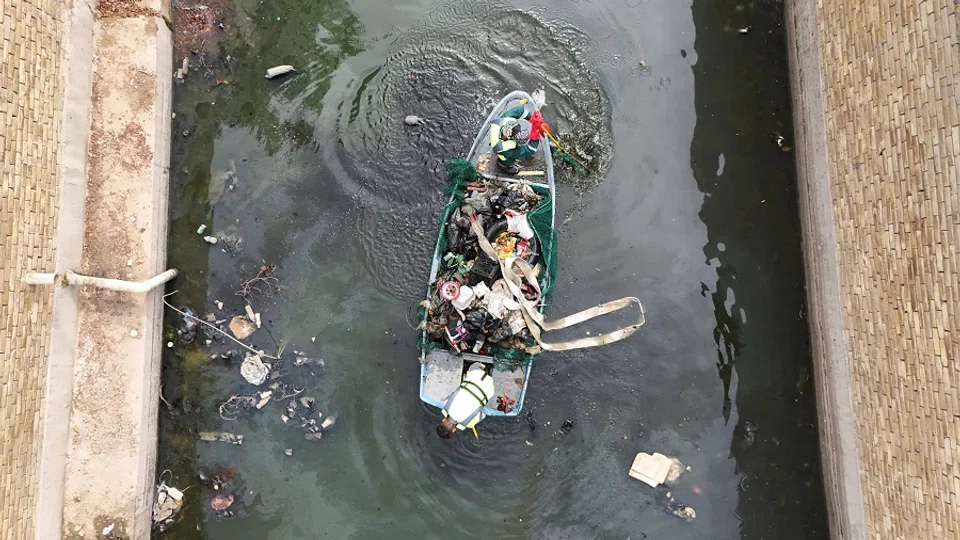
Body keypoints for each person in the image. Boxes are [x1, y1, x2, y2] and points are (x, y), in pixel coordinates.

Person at [436, 362, 495, 439]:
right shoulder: (445, 403)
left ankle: (491, 372)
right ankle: (484, 367)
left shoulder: (468, 423)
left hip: (490, 386)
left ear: (453, 430)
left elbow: (483, 415)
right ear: (443, 420)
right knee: (471, 371)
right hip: (475, 374)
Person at [489, 103, 550, 175]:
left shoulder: (506, 119)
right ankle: (504, 166)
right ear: (510, 138)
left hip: (495, 135)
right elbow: (530, 150)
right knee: (507, 160)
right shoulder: (506, 150)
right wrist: (535, 134)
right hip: (502, 153)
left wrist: (531, 119)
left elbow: (520, 110)